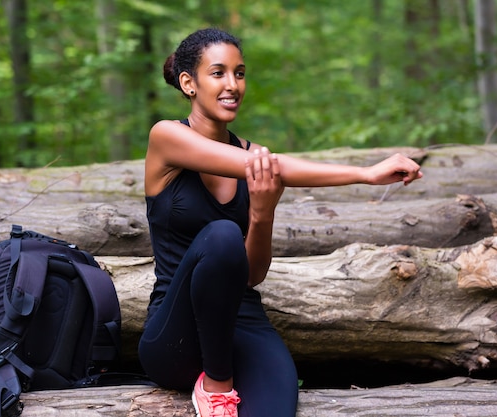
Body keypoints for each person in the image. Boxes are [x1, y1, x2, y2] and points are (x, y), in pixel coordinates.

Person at [138, 27, 422, 417]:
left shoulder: (253, 159)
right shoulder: (167, 137)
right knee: (221, 236)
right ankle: (216, 389)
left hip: (242, 321)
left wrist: (261, 213)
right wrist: (366, 173)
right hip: (176, 337)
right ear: (189, 83)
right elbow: (277, 166)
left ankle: (225, 378)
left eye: (239, 73)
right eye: (218, 73)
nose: (233, 85)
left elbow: (251, 275)